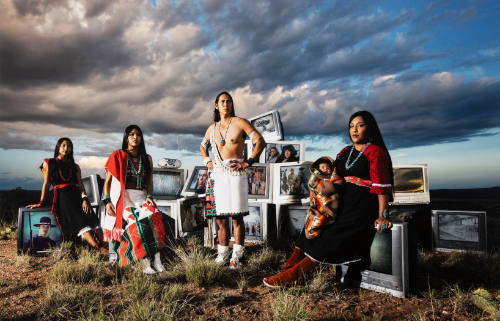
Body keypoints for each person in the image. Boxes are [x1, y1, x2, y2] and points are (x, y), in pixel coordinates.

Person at [263, 110, 393, 287]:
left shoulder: (376, 153)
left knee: (330, 235)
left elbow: (382, 188)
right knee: (311, 227)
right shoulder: (344, 152)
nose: (354, 130)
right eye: (351, 126)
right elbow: (330, 177)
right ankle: (288, 271)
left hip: (362, 207)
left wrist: (382, 215)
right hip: (341, 203)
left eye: (360, 126)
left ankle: (296, 275)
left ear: (369, 128)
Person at [200, 91, 265, 269]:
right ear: (216, 105)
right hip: (218, 174)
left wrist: (248, 162)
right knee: (220, 218)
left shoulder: (240, 122)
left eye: (229, 101)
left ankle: (237, 256)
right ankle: (222, 253)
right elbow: (202, 145)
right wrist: (207, 161)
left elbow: (260, 141)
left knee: (236, 217)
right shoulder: (211, 128)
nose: (226, 104)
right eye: (222, 101)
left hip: (236, 173)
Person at [102, 125, 168, 274]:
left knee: (156, 216)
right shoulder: (117, 156)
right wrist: (107, 202)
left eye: (138, 134)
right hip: (123, 199)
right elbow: (108, 182)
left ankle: (157, 260)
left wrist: (150, 196)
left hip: (142, 197)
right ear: (126, 137)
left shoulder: (147, 158)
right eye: (131, 134)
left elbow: (149, 182)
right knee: (137, 224)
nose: (135, 137)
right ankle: (144, 263)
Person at [27, 138, 104, 251]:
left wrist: (85, 199)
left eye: (69, 146)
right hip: (63, 198)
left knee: (93, 219)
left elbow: (81, 186)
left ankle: (104, 245)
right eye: (63, 145)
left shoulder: (75, 166)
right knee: (80, 222)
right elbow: (46, 183)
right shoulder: (49, 163)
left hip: (77, 196)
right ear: (58, 147)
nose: (66, 148)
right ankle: (97, 247)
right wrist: (41, 202)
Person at [303, 157, 343, 239]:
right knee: (312, 217)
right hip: (317, 205)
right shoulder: (315, 180)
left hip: (327, 206)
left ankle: (318, 227)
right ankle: (311, 230)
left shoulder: (332, 178)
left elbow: (334, 186)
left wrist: (332, 178)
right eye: (322, 167)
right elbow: (312, 189)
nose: (325, 169)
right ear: (318, 169)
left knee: (322, 219)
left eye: (327, 168)